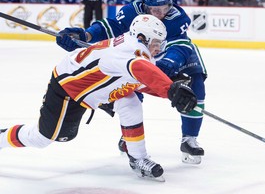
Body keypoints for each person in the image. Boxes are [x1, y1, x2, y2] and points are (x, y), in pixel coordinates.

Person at [0, 14, 197, 181]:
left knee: (130, 102)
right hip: (69, 88)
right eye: (156, 43)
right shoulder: (130, 51)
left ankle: (138, 158)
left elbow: (142, 82)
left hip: (97, 86)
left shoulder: (137, 49)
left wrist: (171, 91)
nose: (159, 48)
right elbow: (138, 69)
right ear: (142, 38)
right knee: (42, 138)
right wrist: (170, 89)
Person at [56, 0, 207, 165]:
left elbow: (181, 45)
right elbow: (111, 27)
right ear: (145, 5)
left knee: (195, 83)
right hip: (144, 52)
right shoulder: (132, 10)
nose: (161, 13)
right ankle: (129, 136)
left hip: (172, 54)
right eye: (155, 9)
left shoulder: (177, 16)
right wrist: (86, 36)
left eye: (164, 7)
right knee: (131, 89)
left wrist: (170, 62)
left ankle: (189, 138)